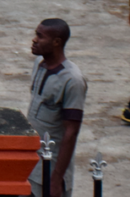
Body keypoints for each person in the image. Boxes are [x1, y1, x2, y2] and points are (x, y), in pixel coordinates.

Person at [28, 19, 86, 197]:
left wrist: (56, 179)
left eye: (40, 36)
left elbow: (71, 132)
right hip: (30, 163)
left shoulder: (72, 81)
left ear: (56, 42)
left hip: (50, 165)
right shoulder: (39, 64)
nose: (34, 40)